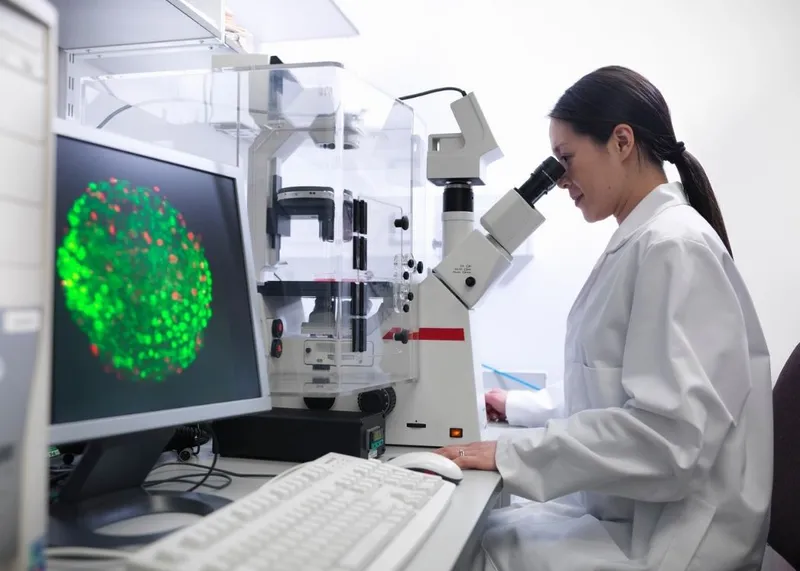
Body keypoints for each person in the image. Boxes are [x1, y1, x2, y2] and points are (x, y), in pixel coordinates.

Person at [435, 65, 773, 571]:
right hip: (638, 517)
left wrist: (512, 456)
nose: (561, 180)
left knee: (466, 551)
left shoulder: (673, 246)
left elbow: (669, 440)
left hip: (676, 542)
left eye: (566, 158)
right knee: (489, 528)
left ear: (621, 142)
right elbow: (613, 388)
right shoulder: (646, 240)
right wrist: (520, 407)